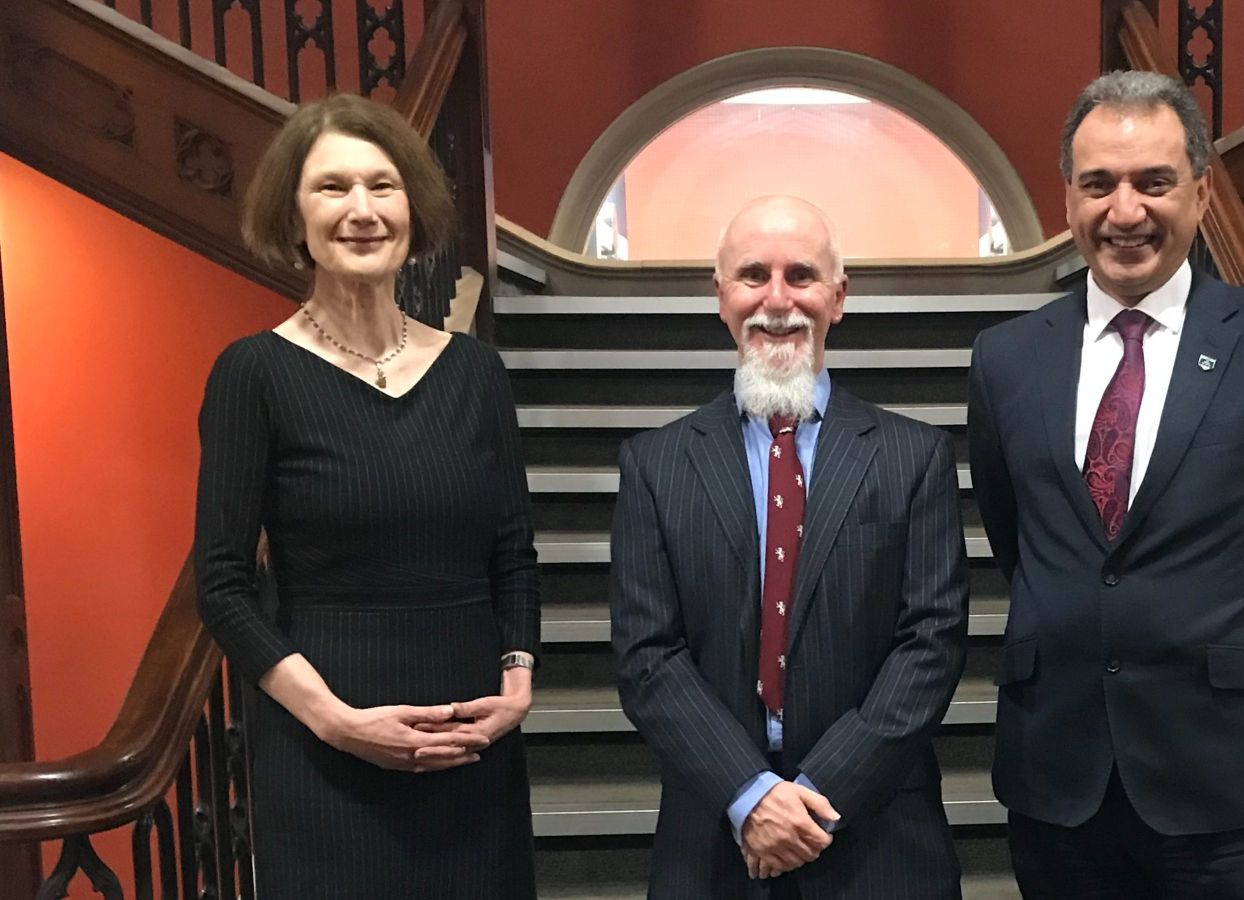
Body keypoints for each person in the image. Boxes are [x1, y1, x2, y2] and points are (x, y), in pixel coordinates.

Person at [967, 71, 1244, 899]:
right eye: (1099, 183)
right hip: (1058, 773)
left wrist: (1219, 635)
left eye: (1155, 182)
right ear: (1067, 196)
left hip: (1220, 770)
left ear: (1202, 192)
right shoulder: (1005, 359)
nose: (1126, 211)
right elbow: (1021, 537)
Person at [194, 94, 539, 898]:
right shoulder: (254, 374)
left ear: (412, 206)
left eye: (382, 186)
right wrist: (336, 721)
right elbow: (222, 583)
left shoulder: (475, 371)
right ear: (294, 214)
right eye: (332, 188)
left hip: (470, 748)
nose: (361, 211)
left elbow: (513, 551)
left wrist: (517, 684)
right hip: (325, 757)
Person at [610, 195, 969, 899]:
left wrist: (819, 792)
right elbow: (647, 654)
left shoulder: (914, 456)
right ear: (720, 298)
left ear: (839, 297)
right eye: (752, 275)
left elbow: (933, 641)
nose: (777, 300)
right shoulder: (655, 465)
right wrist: (751, 797)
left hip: (879, 836)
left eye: (801, 274)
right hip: (714, 840)